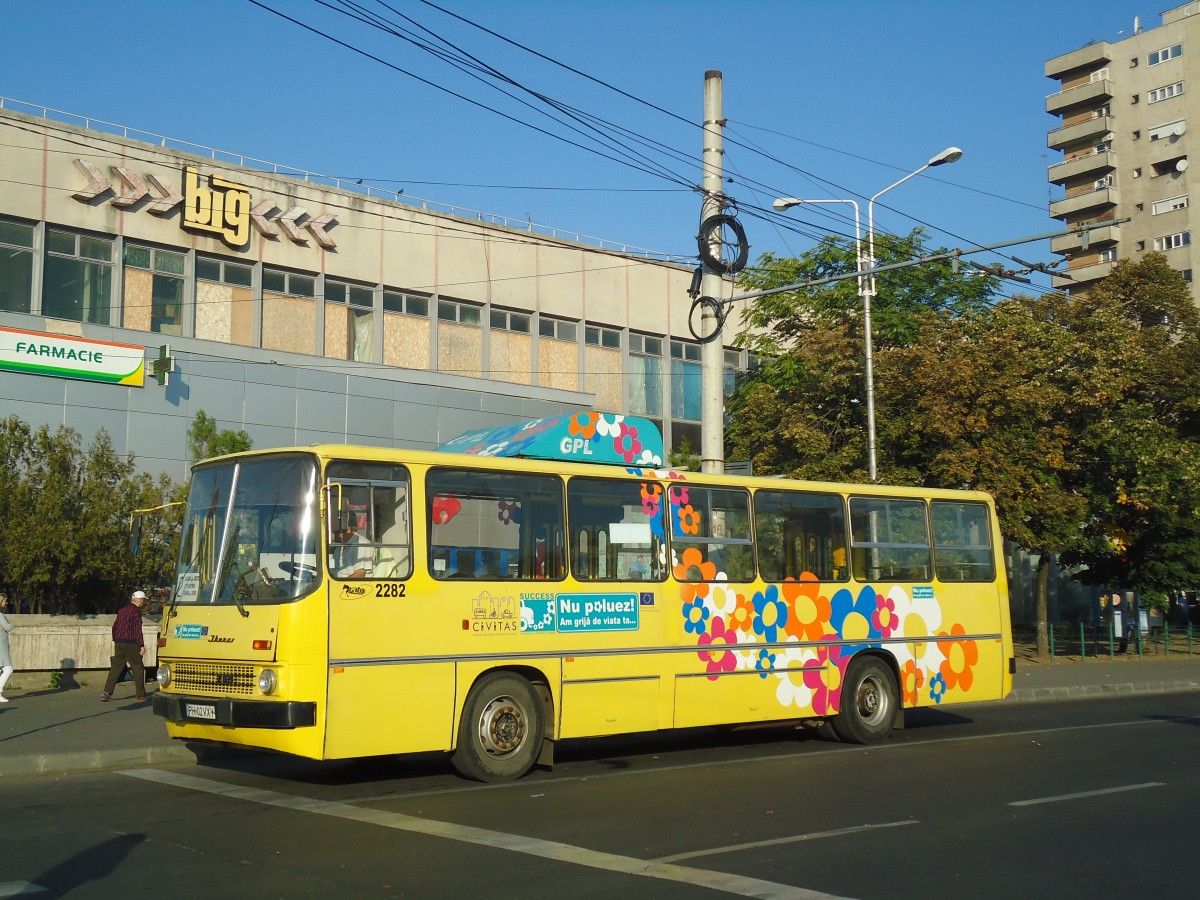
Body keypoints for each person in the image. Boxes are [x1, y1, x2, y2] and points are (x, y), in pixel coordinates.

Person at [101, 590, 148, 702]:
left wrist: (116, 639)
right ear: (139, 600)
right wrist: (141, 645)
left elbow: (115, 626)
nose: (143, 603)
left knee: (116, 667)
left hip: (119, 641)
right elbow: (137, 629)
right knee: (137, 667)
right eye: (143, 600)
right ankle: (140, 695)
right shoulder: (136, 611)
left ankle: (106, 693)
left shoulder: (122, 610)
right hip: (131, 642)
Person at [0, 592, 14, 703]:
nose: (6, 603)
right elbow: (8, 627)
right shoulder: (0, 616)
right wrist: (11, 624)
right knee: (8, 669)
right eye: (5, 601)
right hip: (1, 647)